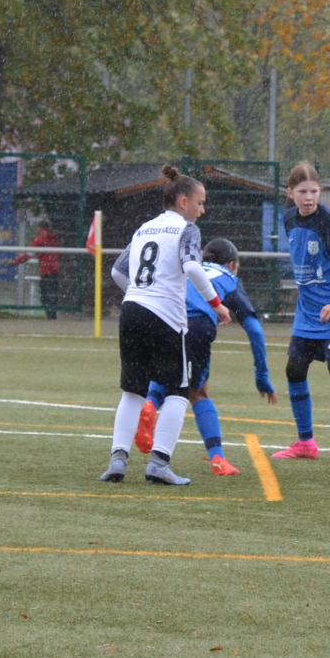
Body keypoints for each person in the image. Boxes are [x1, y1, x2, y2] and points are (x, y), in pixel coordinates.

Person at [99, 166, 232, 486]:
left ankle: (117, 460)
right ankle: (159, 464)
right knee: (178, 391)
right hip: (164, 317)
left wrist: (140, 294)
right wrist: (217, 304)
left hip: (131, 311)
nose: (202, 210)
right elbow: (193, 268)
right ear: (183, 201)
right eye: (200, 203)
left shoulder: (145, 229)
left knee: (133, 390)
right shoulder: (187, 229)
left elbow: (118, 271)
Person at [140, 239, 276, 476]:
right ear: (231, 264)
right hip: (196, 326)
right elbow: (255, 330)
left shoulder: (189, 267)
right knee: (199, 393)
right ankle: (218, 459)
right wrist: (262, 376)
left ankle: (150, 404)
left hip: (162, 318)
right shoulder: (229, 277)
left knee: (164, 373)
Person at [271, 163, 330, 464]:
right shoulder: (289, 218)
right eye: (302, 192)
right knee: (294, 370)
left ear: (320, 191)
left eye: (314, 191)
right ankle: (306, 443)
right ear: (291, 193)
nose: (309, 197)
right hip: (308, 311)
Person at [12, 218, 63, 319]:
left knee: (44, 295)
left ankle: (50, 315)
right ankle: (53, 315)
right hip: (55, 271)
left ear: (39, 228)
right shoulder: (55, 239)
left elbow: (28, 255)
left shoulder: (39, 240)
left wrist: (15, 261)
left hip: (45, 271)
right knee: (53, 294)